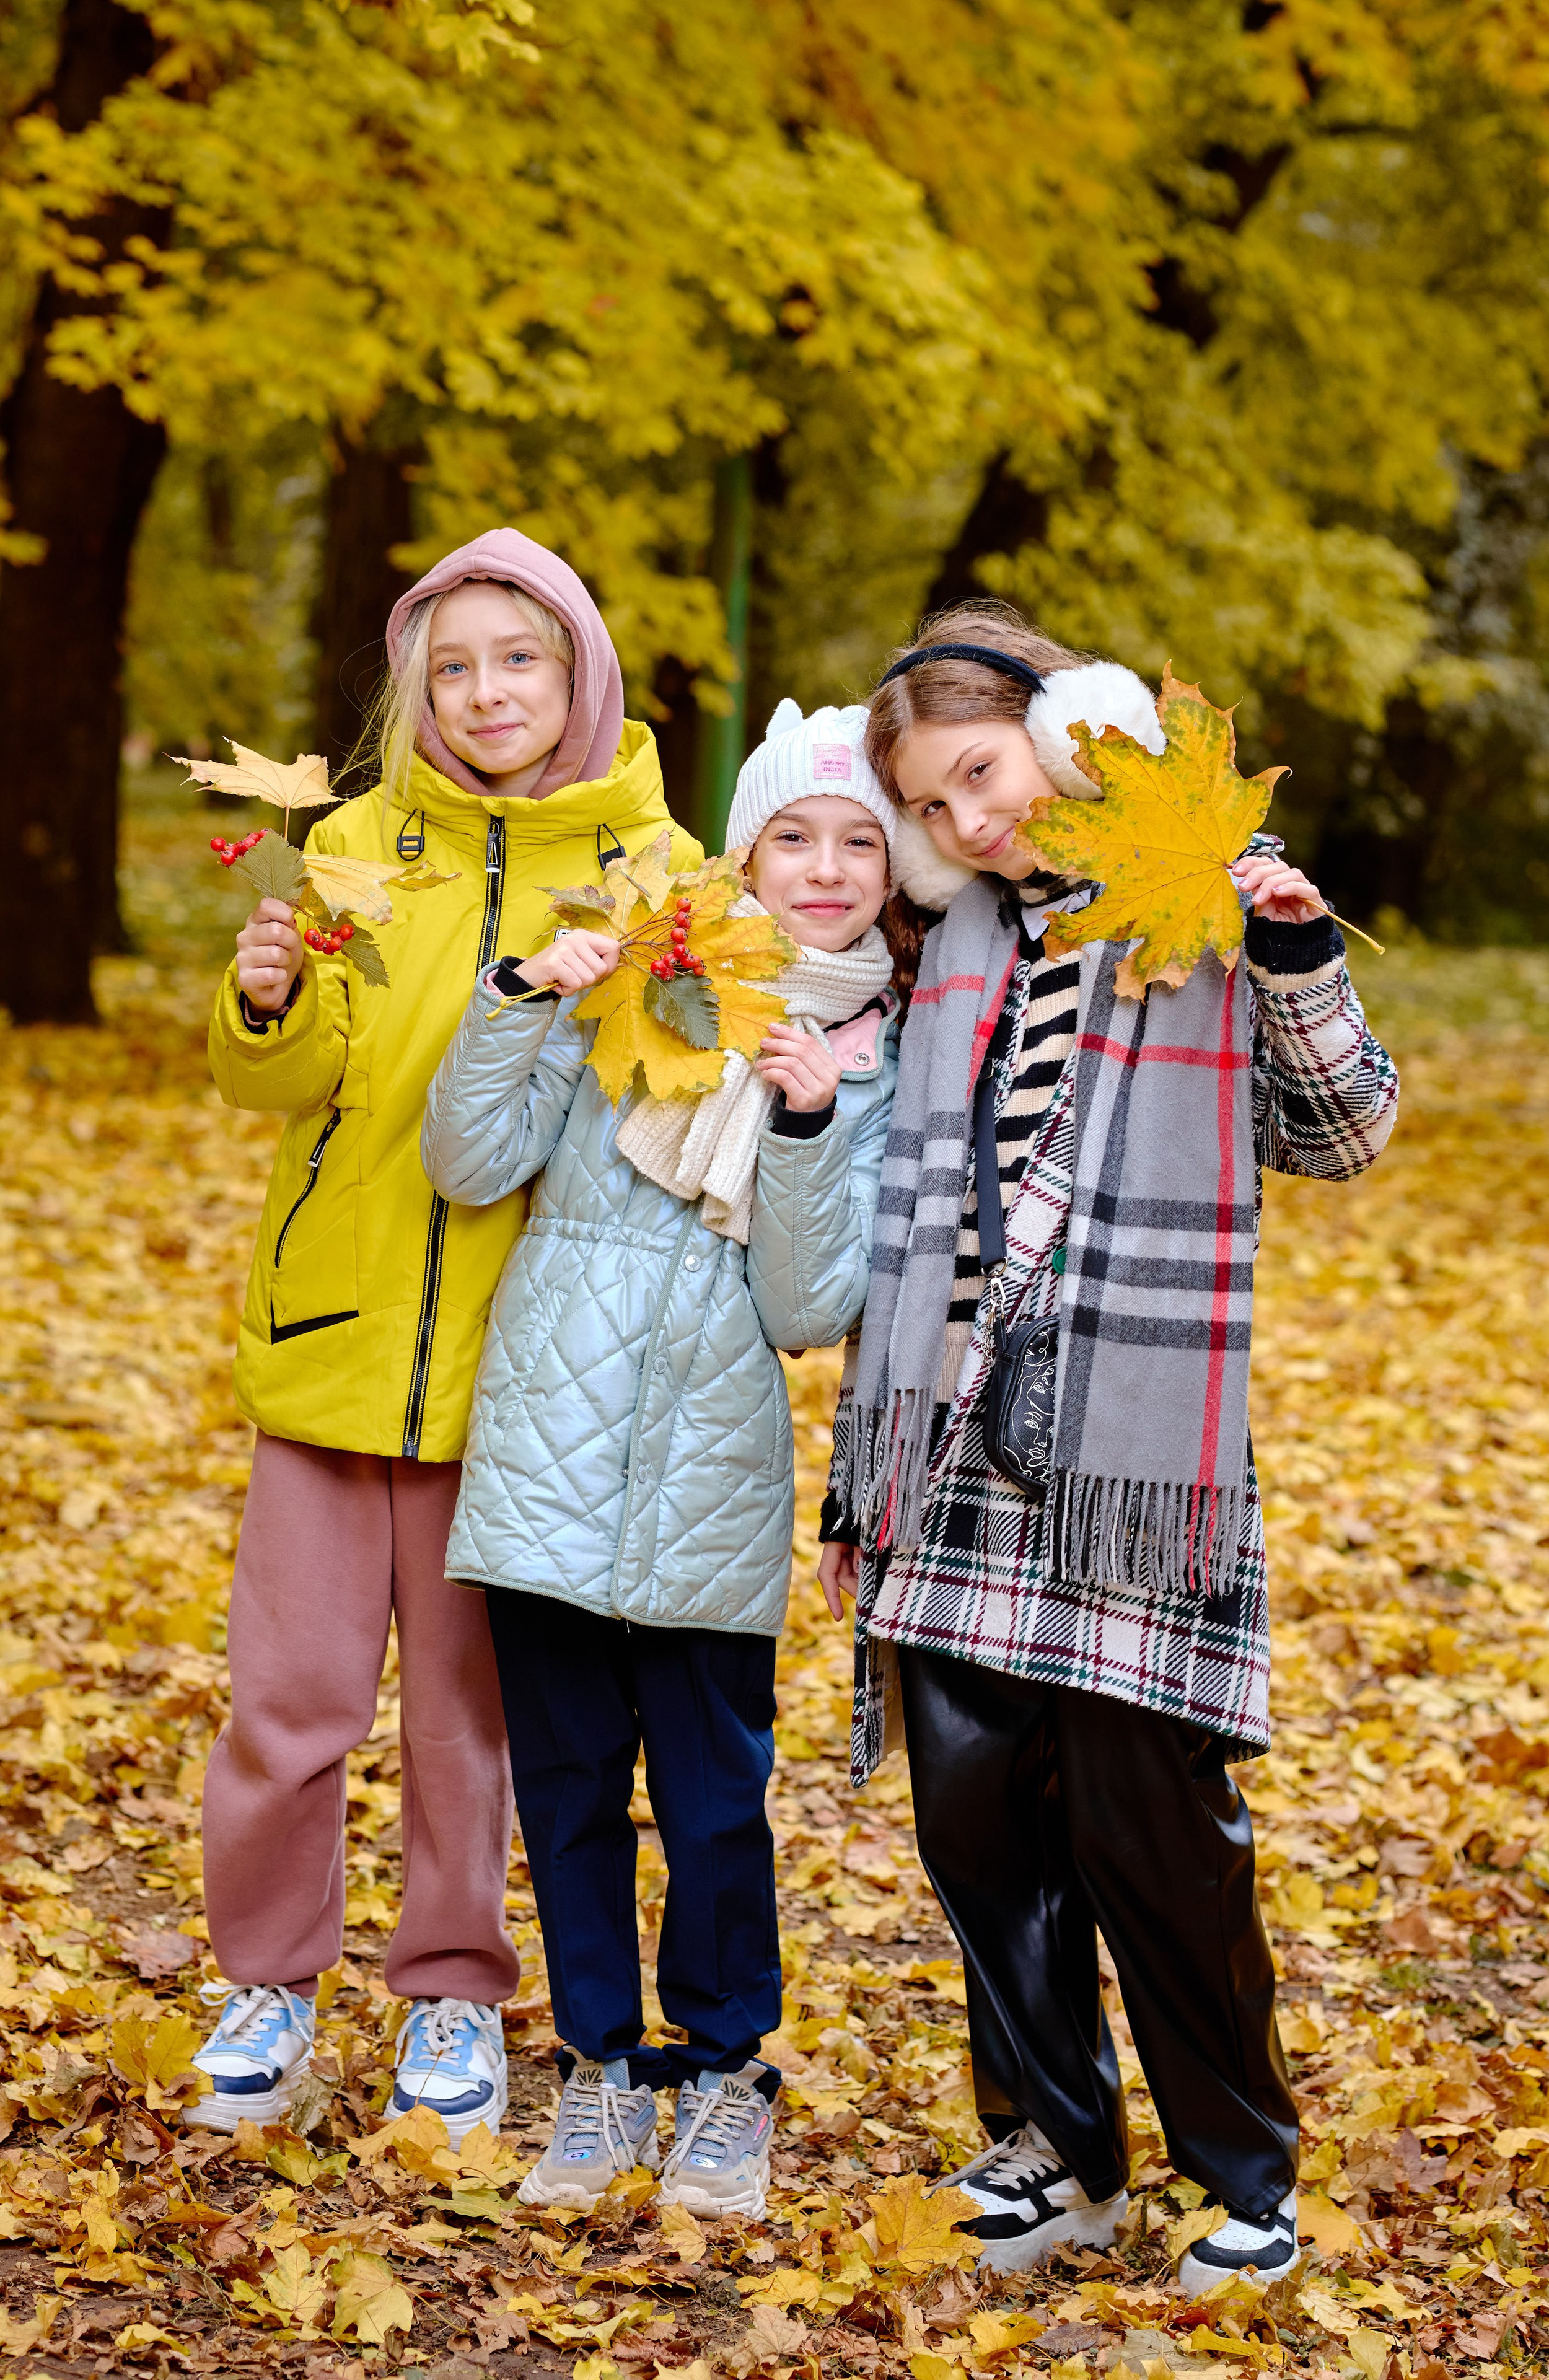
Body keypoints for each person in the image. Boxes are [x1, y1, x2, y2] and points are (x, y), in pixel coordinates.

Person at [818, 603, 1400, 2293]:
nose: (969, 824)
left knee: (1155, 1828)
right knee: (981, 1825)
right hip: (955, 1436)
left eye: (981, 775)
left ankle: (1245, 2168)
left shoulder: (1200, 896)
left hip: (1136, 1445)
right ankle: (1059, 2146)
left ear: (1064, 730)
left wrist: (1291, 951)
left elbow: (1345, 1130)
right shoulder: (963, 948)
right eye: (930, 808)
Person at [193, 529, 700, 2146]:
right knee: (289, 1701)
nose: (487, 692)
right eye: (454, 665)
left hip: (524, 1373)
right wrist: (270, 1002)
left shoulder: (658, 873)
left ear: (581, 673)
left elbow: (686, 1111)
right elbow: (289, 1083)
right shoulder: (354, 847)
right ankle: (269, 1983)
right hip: (335, 1350)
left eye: (520, 659)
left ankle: (455, 1993)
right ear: (418, 687)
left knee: (468, 1720)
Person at [421, 700, 902, 2220]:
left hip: (711, 1472)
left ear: (891, 876)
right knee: (564, 1789)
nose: (822, 868)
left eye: (857, 844)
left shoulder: (874, 1055)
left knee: (709, 1804)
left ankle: (723, 2074)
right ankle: (595, 2066)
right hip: (547, 1450)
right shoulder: (639, 973)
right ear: (741, 848)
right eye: (792, 837)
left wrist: (816, 1127)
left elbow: (807, 1307)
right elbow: (470, 1158)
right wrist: (518, 993)